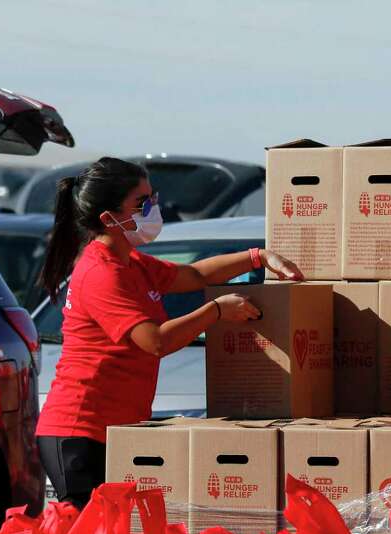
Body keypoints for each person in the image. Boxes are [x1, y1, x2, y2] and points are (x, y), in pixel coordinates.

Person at [35, 157, 302, 509]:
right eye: (141, 203)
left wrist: (257, 257)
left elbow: (195, 275)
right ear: (109, 219)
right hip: (80, 431)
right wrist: (218, 311)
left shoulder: (133, 263)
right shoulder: (102, 272)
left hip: (114, 429)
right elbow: (155, 341)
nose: (153, 209)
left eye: (153, 198)